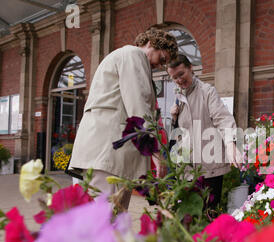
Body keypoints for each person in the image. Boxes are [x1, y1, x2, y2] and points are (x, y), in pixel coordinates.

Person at [69, 28, 178, 210]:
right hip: (109, 154)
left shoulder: (121, 56)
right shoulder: (134, 55)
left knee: (106, 219)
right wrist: (157, 154)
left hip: (102, 152)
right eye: (162, 59)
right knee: (108, 220)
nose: (160, 66)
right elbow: (139, 108)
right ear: (152, 44)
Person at [167, 54, 242, 209]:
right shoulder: (178, 97)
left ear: (190, 68)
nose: (179, 80)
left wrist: (230, 143)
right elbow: (179, 135)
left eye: (181, 74)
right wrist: (174, 118)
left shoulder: (207, 92)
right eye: (174, 78)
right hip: (186, 170)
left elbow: (222, 118)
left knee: (208, 214)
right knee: (188, 218)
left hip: (209, 169)